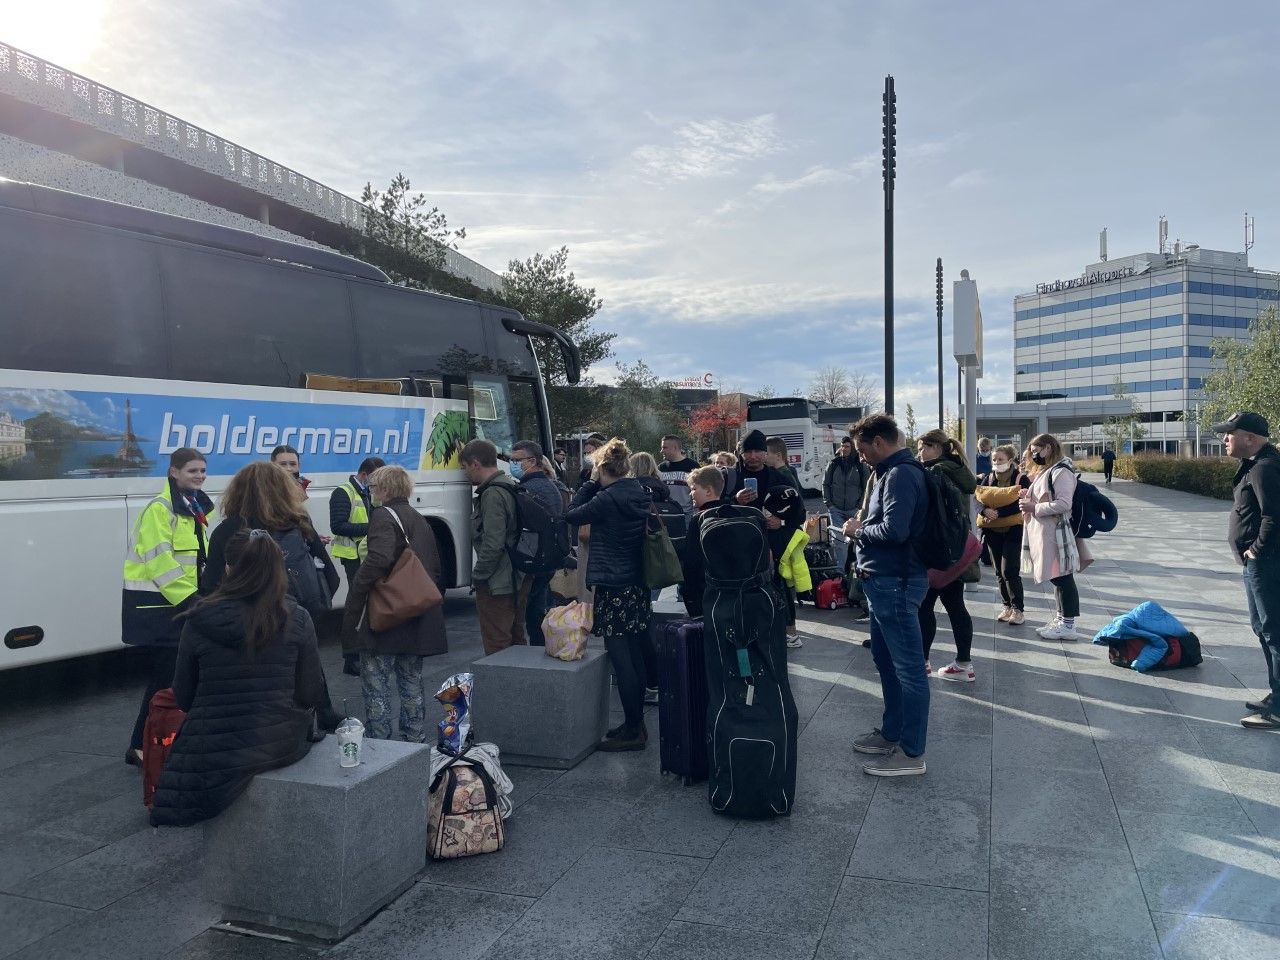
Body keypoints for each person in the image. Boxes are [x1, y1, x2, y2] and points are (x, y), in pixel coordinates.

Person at [149, 529, 325, 827]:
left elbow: (184, 696)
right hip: (277, 742)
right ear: (276, 570)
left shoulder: (199, 619)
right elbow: (310, 693)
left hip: (206, 751)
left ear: (228, 568)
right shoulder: (297, 618)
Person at [202, 461, 342, 729]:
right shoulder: (298, 523)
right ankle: (320, 715)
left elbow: (211, 586)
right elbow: (330, 576)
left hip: (247, 624)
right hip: (295, 615)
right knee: (303, 665)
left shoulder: (228, 530)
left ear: (238, 491)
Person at [845, 414, 930, 777]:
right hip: (884, 581)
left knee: (909, 670)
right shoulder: (890, 472)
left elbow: (895, 530)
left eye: (863, 449)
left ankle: (911, 753)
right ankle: (892, 731)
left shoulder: (900, 474)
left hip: (895, 581)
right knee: (885, 658)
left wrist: (857, 530)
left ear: (879, 442)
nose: (861, 456)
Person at [122, 448, 216, 768]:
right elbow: (161, 562)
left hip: (176, 607)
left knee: (170, 680)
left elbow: (197, 560)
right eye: (193, 471)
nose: (200, 476)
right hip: (160, 609)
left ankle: (149, 743)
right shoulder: (160, 509)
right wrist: (193, 600)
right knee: (164, 680)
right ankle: (140, 746)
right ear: (173, 472)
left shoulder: (193, 506)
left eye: (203, 471)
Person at [340, 465, 447, 741]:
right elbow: (433, 567)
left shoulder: (382, 516)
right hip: (415, 614)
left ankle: (381, 748)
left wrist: (357, 592)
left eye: (374, 487)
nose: (371, 492)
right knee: (411, 683)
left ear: (385, 490)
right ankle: (414, 741)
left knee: (377, 687)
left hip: (386, 617)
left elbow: (378, 558)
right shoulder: (417, 518)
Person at [565, 438, 652, 751]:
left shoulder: (606, 497)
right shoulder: (637, 492)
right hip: (636, 582)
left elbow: (572, 514)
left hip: (614, 585)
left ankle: (633, 730)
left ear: (601, 468)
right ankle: (634, 722)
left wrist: (589, 485)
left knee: (621, 656)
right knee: (635, 653)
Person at [1214, 412, 1280, 729]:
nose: (1225, 439)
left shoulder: (1266, 467)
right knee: (1262, 628)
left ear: (1250, 438)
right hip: (1257, 565)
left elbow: (1273, 515)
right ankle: (1276, 694)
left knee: (1274, 631)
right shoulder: (1255, 464)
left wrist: (1255, 550)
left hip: (1266, 564)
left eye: (1230, 433)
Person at [915, 429, 977, 681]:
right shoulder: (958, 469)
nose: (919, 453)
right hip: (957, 548)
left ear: (937, 449)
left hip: (938, 549)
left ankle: (922, 663)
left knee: (925, 606)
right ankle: (964, 663)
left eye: (923, 447)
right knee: (955, 606)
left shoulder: (936, 472)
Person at [1020, 433, 1092, 640]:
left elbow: (1063, 504)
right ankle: (1062, 620)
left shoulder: (1061, 472)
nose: (1034, 455)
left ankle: (1068, 625)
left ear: (1049, 448)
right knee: (1056, 578)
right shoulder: (1049, 470)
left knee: (1063, 578)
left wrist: (1034, 506)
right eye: (1032, 451)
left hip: (1056, 532)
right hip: (1047, 532)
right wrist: (1028, 496)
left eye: (1036, 451)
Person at [461, 439, 525, 655]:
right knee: (515, 640)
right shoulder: (510, 484)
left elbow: (493, 543)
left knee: (497, 645)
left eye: (465, 467)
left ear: (475, 463)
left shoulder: (492, 494)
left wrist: (478, 576)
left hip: (497, 582)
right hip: (516, 576)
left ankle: (502, 689)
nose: (465, 473)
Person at [330, 456, 386, 675]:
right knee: (355, 606)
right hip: (352, 557)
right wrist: (372, 527)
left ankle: (364, 650)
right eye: (376, 478)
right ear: (365, 474)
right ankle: (351, 657)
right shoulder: (342, 492)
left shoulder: (369, 491)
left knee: (366, 605)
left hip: (366, 555)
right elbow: (338, 526)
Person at [512, 440, 566, 647]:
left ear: (532, 461)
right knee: (540, 608)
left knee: (533, 613)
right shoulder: (551, 486)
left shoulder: (526, 490)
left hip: (533, 558)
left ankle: (537, 651)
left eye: (517, 460)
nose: (512, 464)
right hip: (549, 556)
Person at [976, 443, 1030, 626]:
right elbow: (978, 498)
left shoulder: (1020, 478)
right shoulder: (988, 478)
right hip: (992, 530)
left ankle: (1018, 609)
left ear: (1010, 460)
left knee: (1010, 570)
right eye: (994, 459)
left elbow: (1023, 501)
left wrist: (999, 512)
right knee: (999, 571)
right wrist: (984, 511)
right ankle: (1006, 606)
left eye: (1000, 459)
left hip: (1013, 530)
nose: (997, 462)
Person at [678, 465, 725, 617]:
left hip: (704, 591)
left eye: (693, 489)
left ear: (708, 491)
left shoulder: (698, 519)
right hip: (729, 591)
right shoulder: (731, 513)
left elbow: (692, 560)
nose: (691, 494)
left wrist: (687, 591)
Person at [824, 436, 867, 572]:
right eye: (842, 446)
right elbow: (825, 484)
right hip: (835, 508)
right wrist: (829, 503)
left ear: (852, 448)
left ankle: (856, 569)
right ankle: (840, 572)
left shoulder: (860, 465)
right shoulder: (833, 464)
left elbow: (867, 487)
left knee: (857, 541)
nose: (844, 448)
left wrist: (860, 506)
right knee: (838, 541)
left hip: (854, 509)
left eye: (847, 446)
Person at [658, 435, 699, 516]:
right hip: (666, 514)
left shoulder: (693, 466)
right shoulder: (661, 468)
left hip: (686, 515)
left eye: (664, 447)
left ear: (675, 448)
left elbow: (700, 491)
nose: (661, 451)